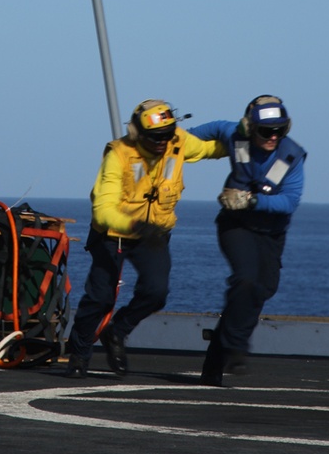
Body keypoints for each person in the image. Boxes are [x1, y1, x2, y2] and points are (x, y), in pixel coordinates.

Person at [64, 99, 226, 377]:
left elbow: (211, 148)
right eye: (156, 137)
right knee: (100, 298)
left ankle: (117, 331)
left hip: (153, 233)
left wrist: (247, 139)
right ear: (139, 134)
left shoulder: (178, 141)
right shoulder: (118, 155)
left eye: (167, 134)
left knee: (156, 292)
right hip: (113, 234)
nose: (163, 142)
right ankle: (78, 354)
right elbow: (103, 211)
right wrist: (136, 225)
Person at [189, 96, 306, 386]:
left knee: (263, 288)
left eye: (280, 130)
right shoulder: (235, 135)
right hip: (236, 225)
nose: (273, 136)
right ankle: (236, 349)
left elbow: (289, 202)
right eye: (266, 131)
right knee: (246, 280)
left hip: (270, 233)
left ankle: (217, 353)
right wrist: (175, 144)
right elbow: (212, 129)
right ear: (249, 127)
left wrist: (252, 201)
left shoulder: (292, 156)